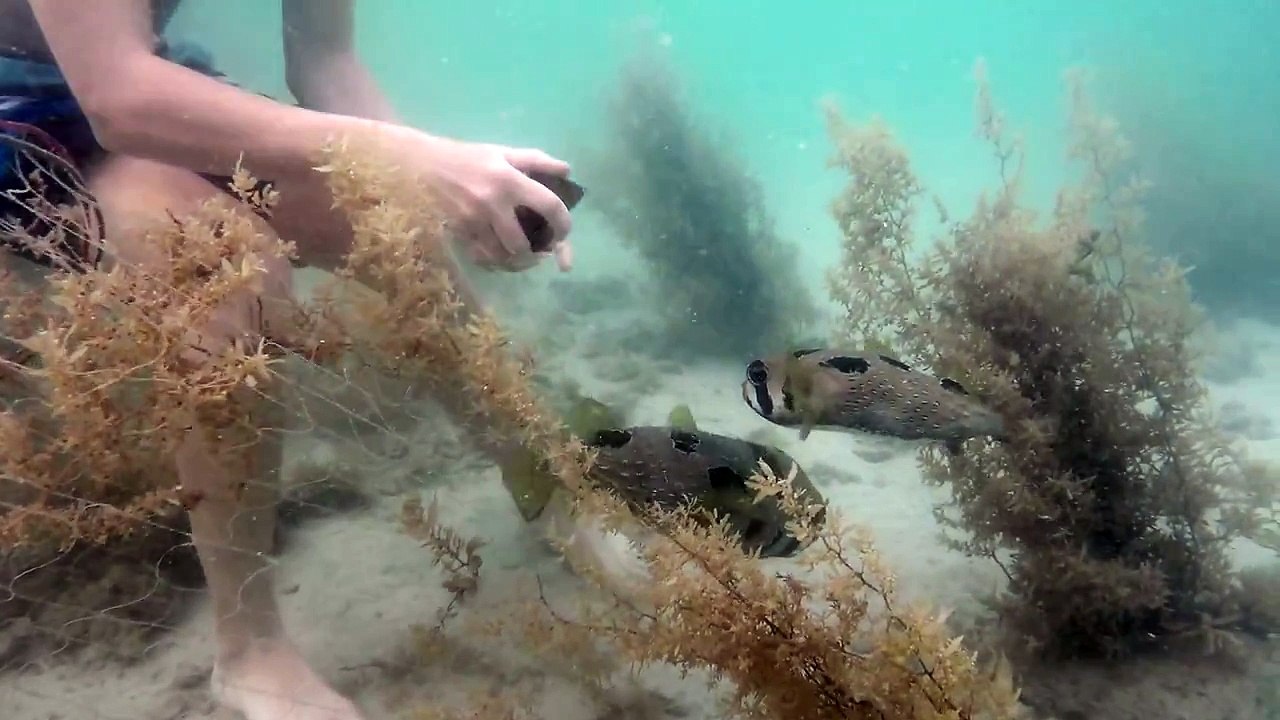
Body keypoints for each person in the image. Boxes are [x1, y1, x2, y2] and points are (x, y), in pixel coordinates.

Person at [1, 2, 577, 719]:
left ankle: (548, 491)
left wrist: (466, 184)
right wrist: (425, 163)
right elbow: (118, 95)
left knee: (384, 223)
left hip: (135, 83)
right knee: (220, 262)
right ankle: (250, 652)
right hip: (34, 98)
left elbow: (326, 64)